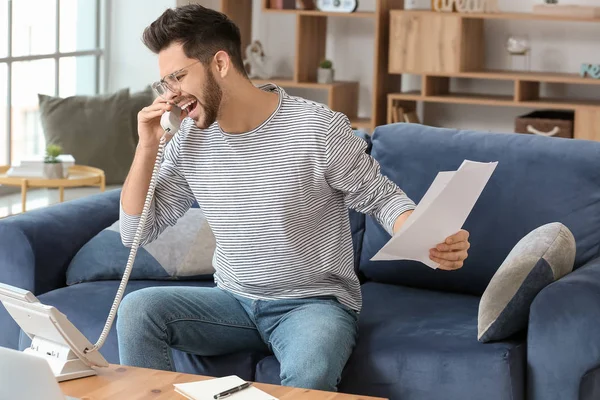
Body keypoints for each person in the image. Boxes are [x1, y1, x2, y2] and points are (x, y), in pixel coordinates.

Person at [116, 4, 471, 392]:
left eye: (178, 77)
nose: (172, 95)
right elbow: (135, 233)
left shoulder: (316, 127)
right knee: (137, 311)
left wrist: (427, 236)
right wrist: (146, 145)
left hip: (313, 305)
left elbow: (382, 198)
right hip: (231, 303)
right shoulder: (189, 141)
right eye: (164, 83)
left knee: (310, 373)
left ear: (220, 63)